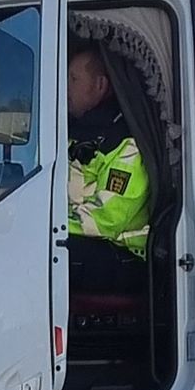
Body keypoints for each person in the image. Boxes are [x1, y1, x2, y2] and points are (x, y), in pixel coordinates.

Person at [65, 38, 151, 291]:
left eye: (73, 79)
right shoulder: (76, 134)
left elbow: (106, 219)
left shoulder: (128, 143)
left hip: (120, 257)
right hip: (84, 244)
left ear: (100, 85)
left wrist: (44, 224)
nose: (65, 87)